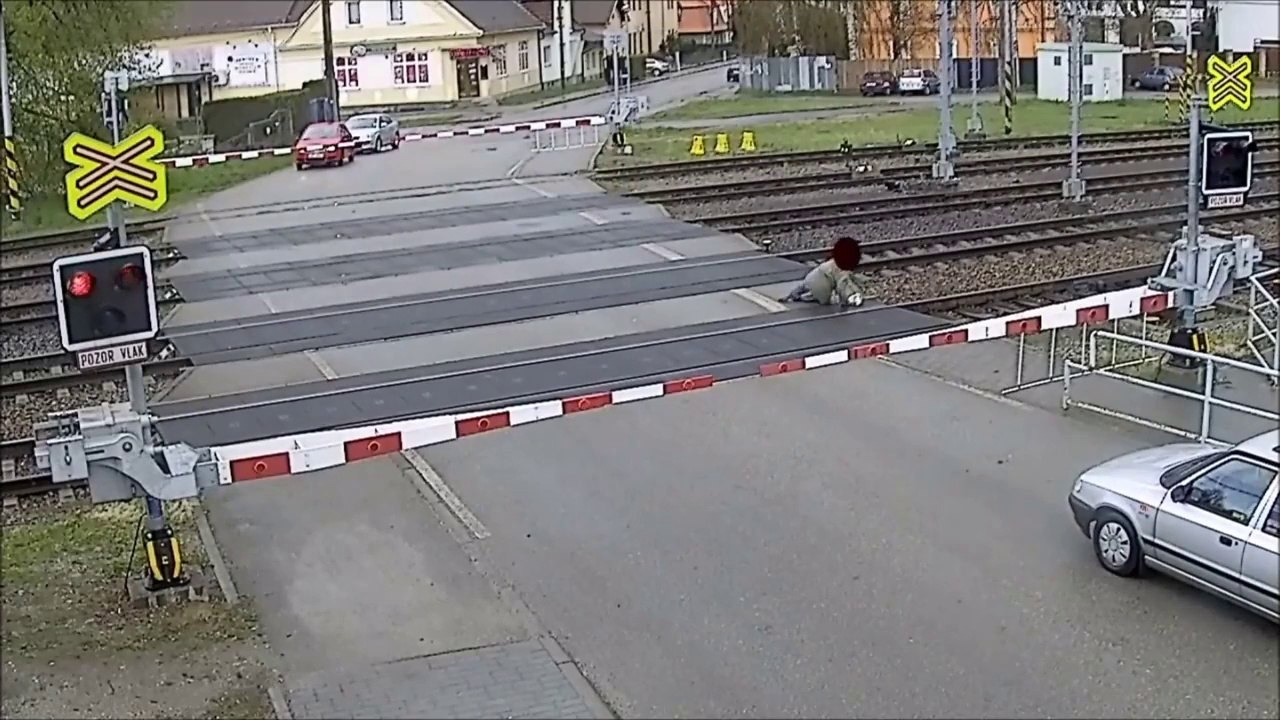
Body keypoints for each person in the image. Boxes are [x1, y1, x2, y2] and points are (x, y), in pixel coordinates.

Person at [780, 236, 864, 308]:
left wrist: (789, 296)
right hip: (823, 289)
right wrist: (848, 299)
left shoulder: (829, 263)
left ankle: (796, 296)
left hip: (810, 279)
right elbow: (842, 285)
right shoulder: (841, 270)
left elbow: (802, 285)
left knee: (808, 290)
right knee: (821, 297)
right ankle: (804, 297)